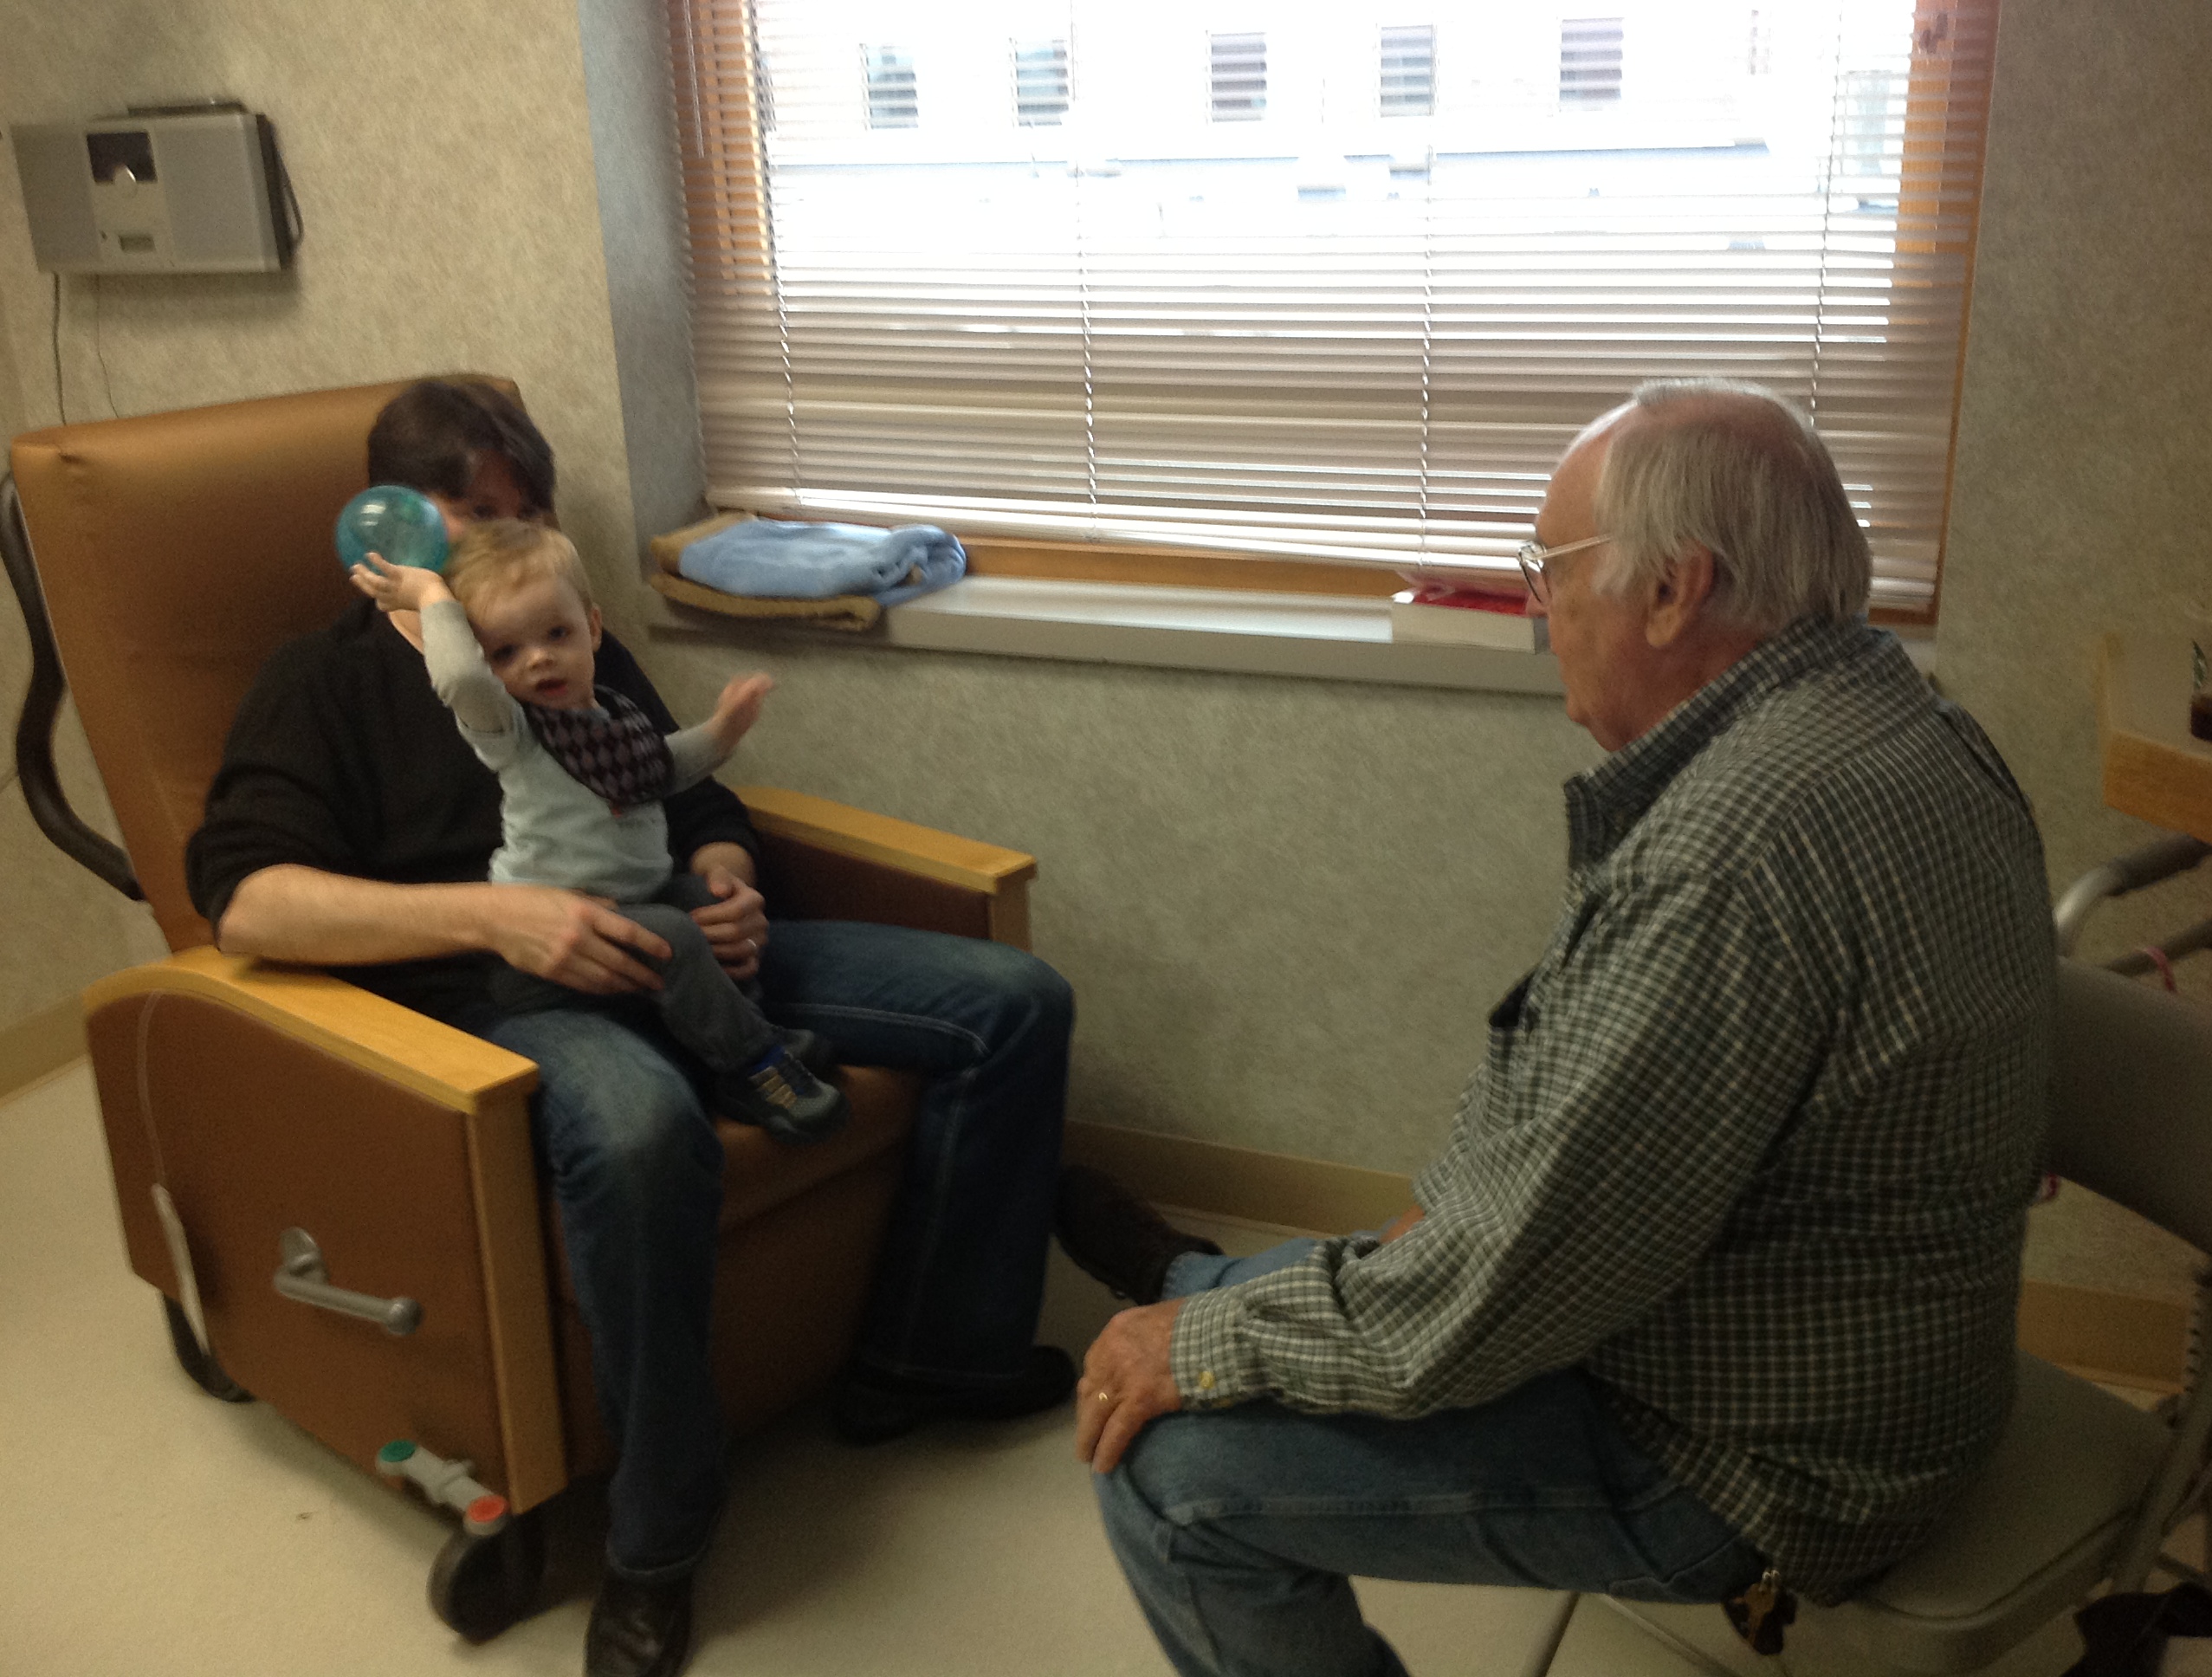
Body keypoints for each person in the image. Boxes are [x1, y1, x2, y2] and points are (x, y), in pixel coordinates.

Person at [1059, 378, 2054, 1677]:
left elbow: (1507, 1292)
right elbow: (1586, 1156)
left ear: (1673, 589)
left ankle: (1185, 1299)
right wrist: (1447, 1229)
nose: (1541, 607)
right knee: (1353, 1270)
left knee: (1168, 1470)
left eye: (1554, 568)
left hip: (1762, 1459)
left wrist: (1206, 1351)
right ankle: (1188, 1279)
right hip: (1890, 1367)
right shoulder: (1913, 725)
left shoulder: (1731, 856)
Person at [186, 378, 1077, 1677]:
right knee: (646, 1133)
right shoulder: (320, 683)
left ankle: (928, 1361)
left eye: (526, 509)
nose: (504, 537)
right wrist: (493, 920)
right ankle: (657, 1543)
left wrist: (730, 882)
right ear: (393, 524)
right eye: (470, 514)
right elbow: (246, 901)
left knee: (1014, 1004)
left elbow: (685, 793)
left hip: (674, 938)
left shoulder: (560, 632)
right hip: (494, 1005)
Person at [351, 519, 845, 1141]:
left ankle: (746, 1027)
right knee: (674, 936)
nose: (538, 658)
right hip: (547, 946)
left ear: (592, 627)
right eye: (505, 652)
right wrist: (432, 597)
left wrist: (724, 729)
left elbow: (665, 767)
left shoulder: (614, 716)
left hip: (636, 899)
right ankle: (751, 1066)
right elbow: (460, 680)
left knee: (702, 903)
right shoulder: (513, 731)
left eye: (556, 634)